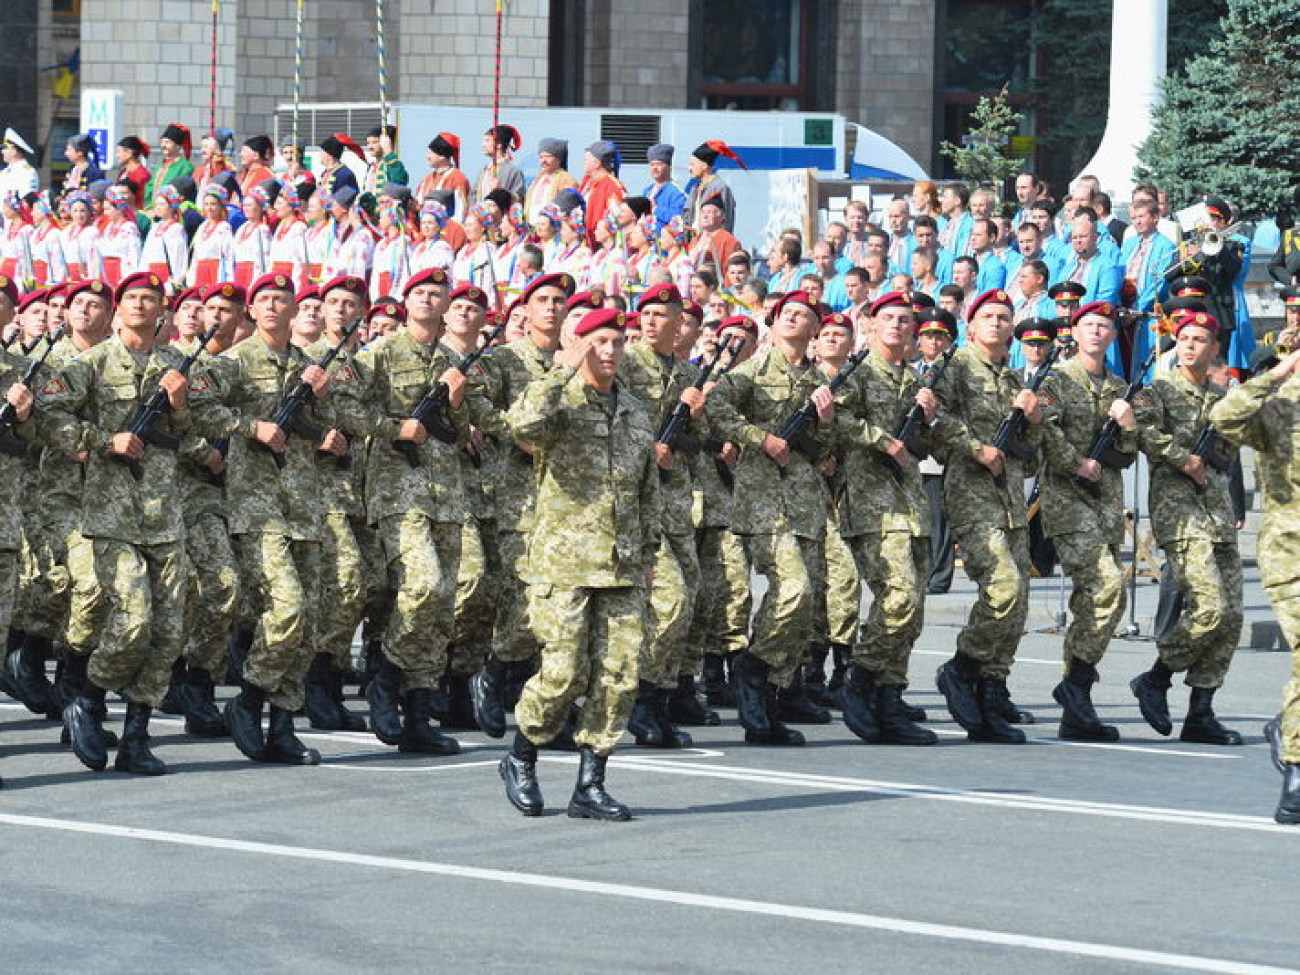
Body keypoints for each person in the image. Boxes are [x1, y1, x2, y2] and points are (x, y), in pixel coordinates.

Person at [497, 306, 659, 821]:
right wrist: (563, 367)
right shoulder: (558, 398)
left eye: (618, 342)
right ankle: (521, 755)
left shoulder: (634, 410)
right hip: (563, 561)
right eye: (600, 342)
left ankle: (591, 783)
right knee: (563, 672)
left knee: (619, 675)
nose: (610, 352)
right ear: (581, 345)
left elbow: (647, 490)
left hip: (622, 561)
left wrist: (649, 553)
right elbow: (521, 423)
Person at [37, 271, 192, 775]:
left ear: (162, 309)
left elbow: (195, 432)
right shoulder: (91, 363)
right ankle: (86, 695)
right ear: (118, 309)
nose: (139, 306)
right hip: (112, 515)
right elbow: (49, 417)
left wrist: (181, 405)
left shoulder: (177, 366)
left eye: (149, 299)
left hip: (165, 514)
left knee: (168, 635)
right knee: (132, 621)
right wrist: (105, 440)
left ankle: (136, 736)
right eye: (131, 299)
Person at [707, 291, 835, 746]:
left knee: (806, 605)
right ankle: (753, 673)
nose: (791, 319)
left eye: (802, 315)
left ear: (815, 330)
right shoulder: (753, 371)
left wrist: (824, 421)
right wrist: (759, 439)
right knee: (792, 587)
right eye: (786, 313)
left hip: (806, 504)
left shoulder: (820, 379)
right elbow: (717, 409)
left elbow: (827, 444)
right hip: (764, 502)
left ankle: (775, 694)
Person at [929, 288, 1044, 742]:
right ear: (971, 326)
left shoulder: (1018, 381)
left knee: (1017, 604)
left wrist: (1032, 424)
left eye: (1004, 317)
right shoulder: (954, 368)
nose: (997, 323)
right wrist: (978, 448)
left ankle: (991, 685)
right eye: (988, 316)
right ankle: (961, 668)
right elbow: (936, 422)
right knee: (1003, 587)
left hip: (1012, 501)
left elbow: (1032, 460)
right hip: (973, 495)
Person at [469, 272, 576, 738]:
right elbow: (475, 404)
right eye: (543, 300)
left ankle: (551, 706)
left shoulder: (578, 359)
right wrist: (517, 434)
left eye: (559, 301)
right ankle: (491, 674)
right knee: (521, 604)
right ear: (526, 310)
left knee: (564, 609)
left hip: (571, 501)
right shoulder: (505, 361)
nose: (552, 308)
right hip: (520, 499)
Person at [1130, 310, 1244, 746]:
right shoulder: (1158, 391)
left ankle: (1201, 709)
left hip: (1217, 510)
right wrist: (1184, 458)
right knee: (1209, 605)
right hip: (1179, 512)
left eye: (1201, 339)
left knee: (1231, 617)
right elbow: (1141, 431)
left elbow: (1230, 452)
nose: (1192, 344)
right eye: (1185, 338)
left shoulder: (1221, 398)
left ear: (1215, 348)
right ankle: (1156, 678)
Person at [832, 293, 938, 745]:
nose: (897, 325)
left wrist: (928, 419)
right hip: (872, 503)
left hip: (911, 503)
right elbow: (834, 417)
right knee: (899, 597)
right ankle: (860, 678)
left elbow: (923, 446)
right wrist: (879, 439)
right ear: (871, 326)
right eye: (888, 318)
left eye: (905, 320)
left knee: (911, 610)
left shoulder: (914, 379)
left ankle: (889, 697)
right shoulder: (858, 371)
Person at [1036, 301, 1136, 741]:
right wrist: (1076, 462)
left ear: (1113, 334)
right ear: (1074, 333)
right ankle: (1075, 687)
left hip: (1106, 503)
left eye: (1104, 325)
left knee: (1097, 600)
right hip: (1067, 499)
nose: (1096, 331)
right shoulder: (1056, 380)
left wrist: (1128, 425)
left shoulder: (1119, 385)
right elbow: (1045, 432)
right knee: (1107, 584)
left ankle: (1076, 696)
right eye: (1088, 325)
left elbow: (1128, 455)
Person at [1209, 345, 1300, 822]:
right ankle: (1297, 776)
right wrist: (1279, 373)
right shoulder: (1279, 403)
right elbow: (1224, 417)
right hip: (1292, 550)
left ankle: (1287, 727)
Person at [619, 284, 705, 749]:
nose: (650, 321)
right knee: (667, 599)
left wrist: (696, 416)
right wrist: (646, 448)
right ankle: (639, 698)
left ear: (680, 323)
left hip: (673, 504)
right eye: (645, 314)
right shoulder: (624, 364)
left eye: (661, 315)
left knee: (686, 597)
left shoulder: (689, 372)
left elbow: (701, 442)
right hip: (633, 504)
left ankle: (660, 698)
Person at [914, 308, 957, 594]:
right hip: (913, 453)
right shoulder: (910, 369)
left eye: (939, 337)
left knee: (939, 520)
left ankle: (939, 577)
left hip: (939, 455)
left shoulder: (955, 372)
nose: (933, 342)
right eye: (928, 336)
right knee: (919, 518)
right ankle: (922, 572)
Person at [683, 141, 742, 233]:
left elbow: (727, 223)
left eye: (692, 164)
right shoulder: (694, 189)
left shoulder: (721, 188)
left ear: (704, 165)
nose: (689, 168)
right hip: (694, 244)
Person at [523, 137, 577, 224]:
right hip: (533, 228)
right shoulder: (539, 178)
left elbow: (568, 207)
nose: (543, 161)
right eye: (541, 157)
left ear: (558, 158)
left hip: (552, 229)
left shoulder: (566, 179)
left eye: (547, 157)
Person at [474, 124, 525, 204]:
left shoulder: (513, 171)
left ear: (499, 145)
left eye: (487, 141)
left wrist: (501, 190)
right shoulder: (484, 170)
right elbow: (473, 195)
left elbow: (519, 199)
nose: (483, 145)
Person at [643, 143, 686, 234]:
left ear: (669, 167)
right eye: (652, 165)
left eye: (659, 164)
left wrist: (656, 209)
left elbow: (678, 220)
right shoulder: (647, 191)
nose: (654, 168)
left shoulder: (676, 193)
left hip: (665, 243)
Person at [364, 124, 408, 194]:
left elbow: (399, 182)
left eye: (374, 142)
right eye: (368, 143)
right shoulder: (371, 166)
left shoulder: (391, 164)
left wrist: (388, 151)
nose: (370, 147)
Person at [0, 129, 39, 201]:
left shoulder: (27, 172)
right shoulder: (5, 171)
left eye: (5, 148)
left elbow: (28, 202)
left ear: (14, 151)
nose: (2, 151)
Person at [115, 136, 152, 209]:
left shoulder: (142, 175)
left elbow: (143, 199)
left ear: (129, 153)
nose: (117, 155)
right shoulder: (124, 171)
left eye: (119, 152)